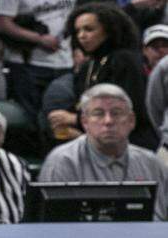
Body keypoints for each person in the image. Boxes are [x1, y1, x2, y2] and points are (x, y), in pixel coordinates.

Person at [40, 83, 168, 221]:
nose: (108, 121)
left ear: (131, 121)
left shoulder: (152, 163)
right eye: (98, 113)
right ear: (84, 122)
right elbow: (54, 230)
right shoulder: (63, 162)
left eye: (116, 113)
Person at [46, 2, 157, 150]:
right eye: (77, 31)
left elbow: (132, 111)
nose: (82, 36)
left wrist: (75, 119)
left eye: (89, 29)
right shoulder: (89, 65)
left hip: (132, 147)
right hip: (99, 142)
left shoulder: (124, 60)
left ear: (109, 30)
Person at [0, 0, 76, 118]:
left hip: (64, 62)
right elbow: (2, 23)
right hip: (28, 65)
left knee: (59, 116)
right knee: (31, 117)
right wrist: (38, 38)